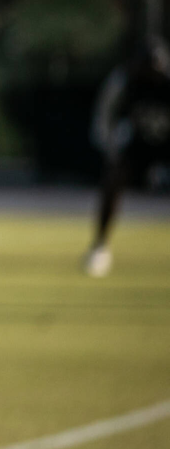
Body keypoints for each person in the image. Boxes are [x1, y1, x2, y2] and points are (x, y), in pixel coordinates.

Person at [82, 35, 170, 277]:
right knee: (113, 178)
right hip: (138, 143)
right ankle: (100, 245)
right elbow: (104, 114)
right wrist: (110, 147)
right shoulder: (125, 79)